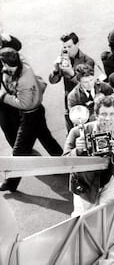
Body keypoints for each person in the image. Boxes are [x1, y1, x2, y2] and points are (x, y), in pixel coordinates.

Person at [0, 48, 63, 192]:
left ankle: (11, 183)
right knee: (47, 139)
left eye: (4, 64)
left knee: (18, 153)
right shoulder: (21, 65)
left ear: (7, 63)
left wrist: (3, 96)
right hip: (36, 112)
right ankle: (63, 163)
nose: (3, 68)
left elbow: (24, 104)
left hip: (30, 116)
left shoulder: (23, 80)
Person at [64, 95, 114, 216]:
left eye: (112, 114)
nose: (107, 119)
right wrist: (77, 151)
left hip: (108, 183)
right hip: (84, 185)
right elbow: (64, 164)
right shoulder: (77, 132)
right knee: (84, 220)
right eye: (103, 114)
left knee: (107, 218)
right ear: (96, 115)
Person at [49, 32, 95, 132]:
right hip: (69, 103)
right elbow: (53, 81)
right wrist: (55, 69)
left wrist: (71, 73)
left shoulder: (88, 61)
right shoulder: (64, 59)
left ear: (77, 44)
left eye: (69, 46)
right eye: (64, 47)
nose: (67, 50)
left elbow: (88, 85)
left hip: (85, 104)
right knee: (71, 134)